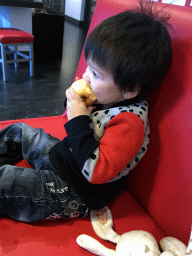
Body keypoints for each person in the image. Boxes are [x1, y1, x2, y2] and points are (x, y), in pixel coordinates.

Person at [0, 0, 172, 222]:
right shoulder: (108, 94)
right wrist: (72, 105)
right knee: (19, 131)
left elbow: (96, 171)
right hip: (63, 160)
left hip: (73, 191)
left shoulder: (131, 124)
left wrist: (79, 118)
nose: (87, 77)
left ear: (130, 89)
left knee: (5, 180)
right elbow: (75, 125)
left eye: (96, 74)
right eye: (89, 67)